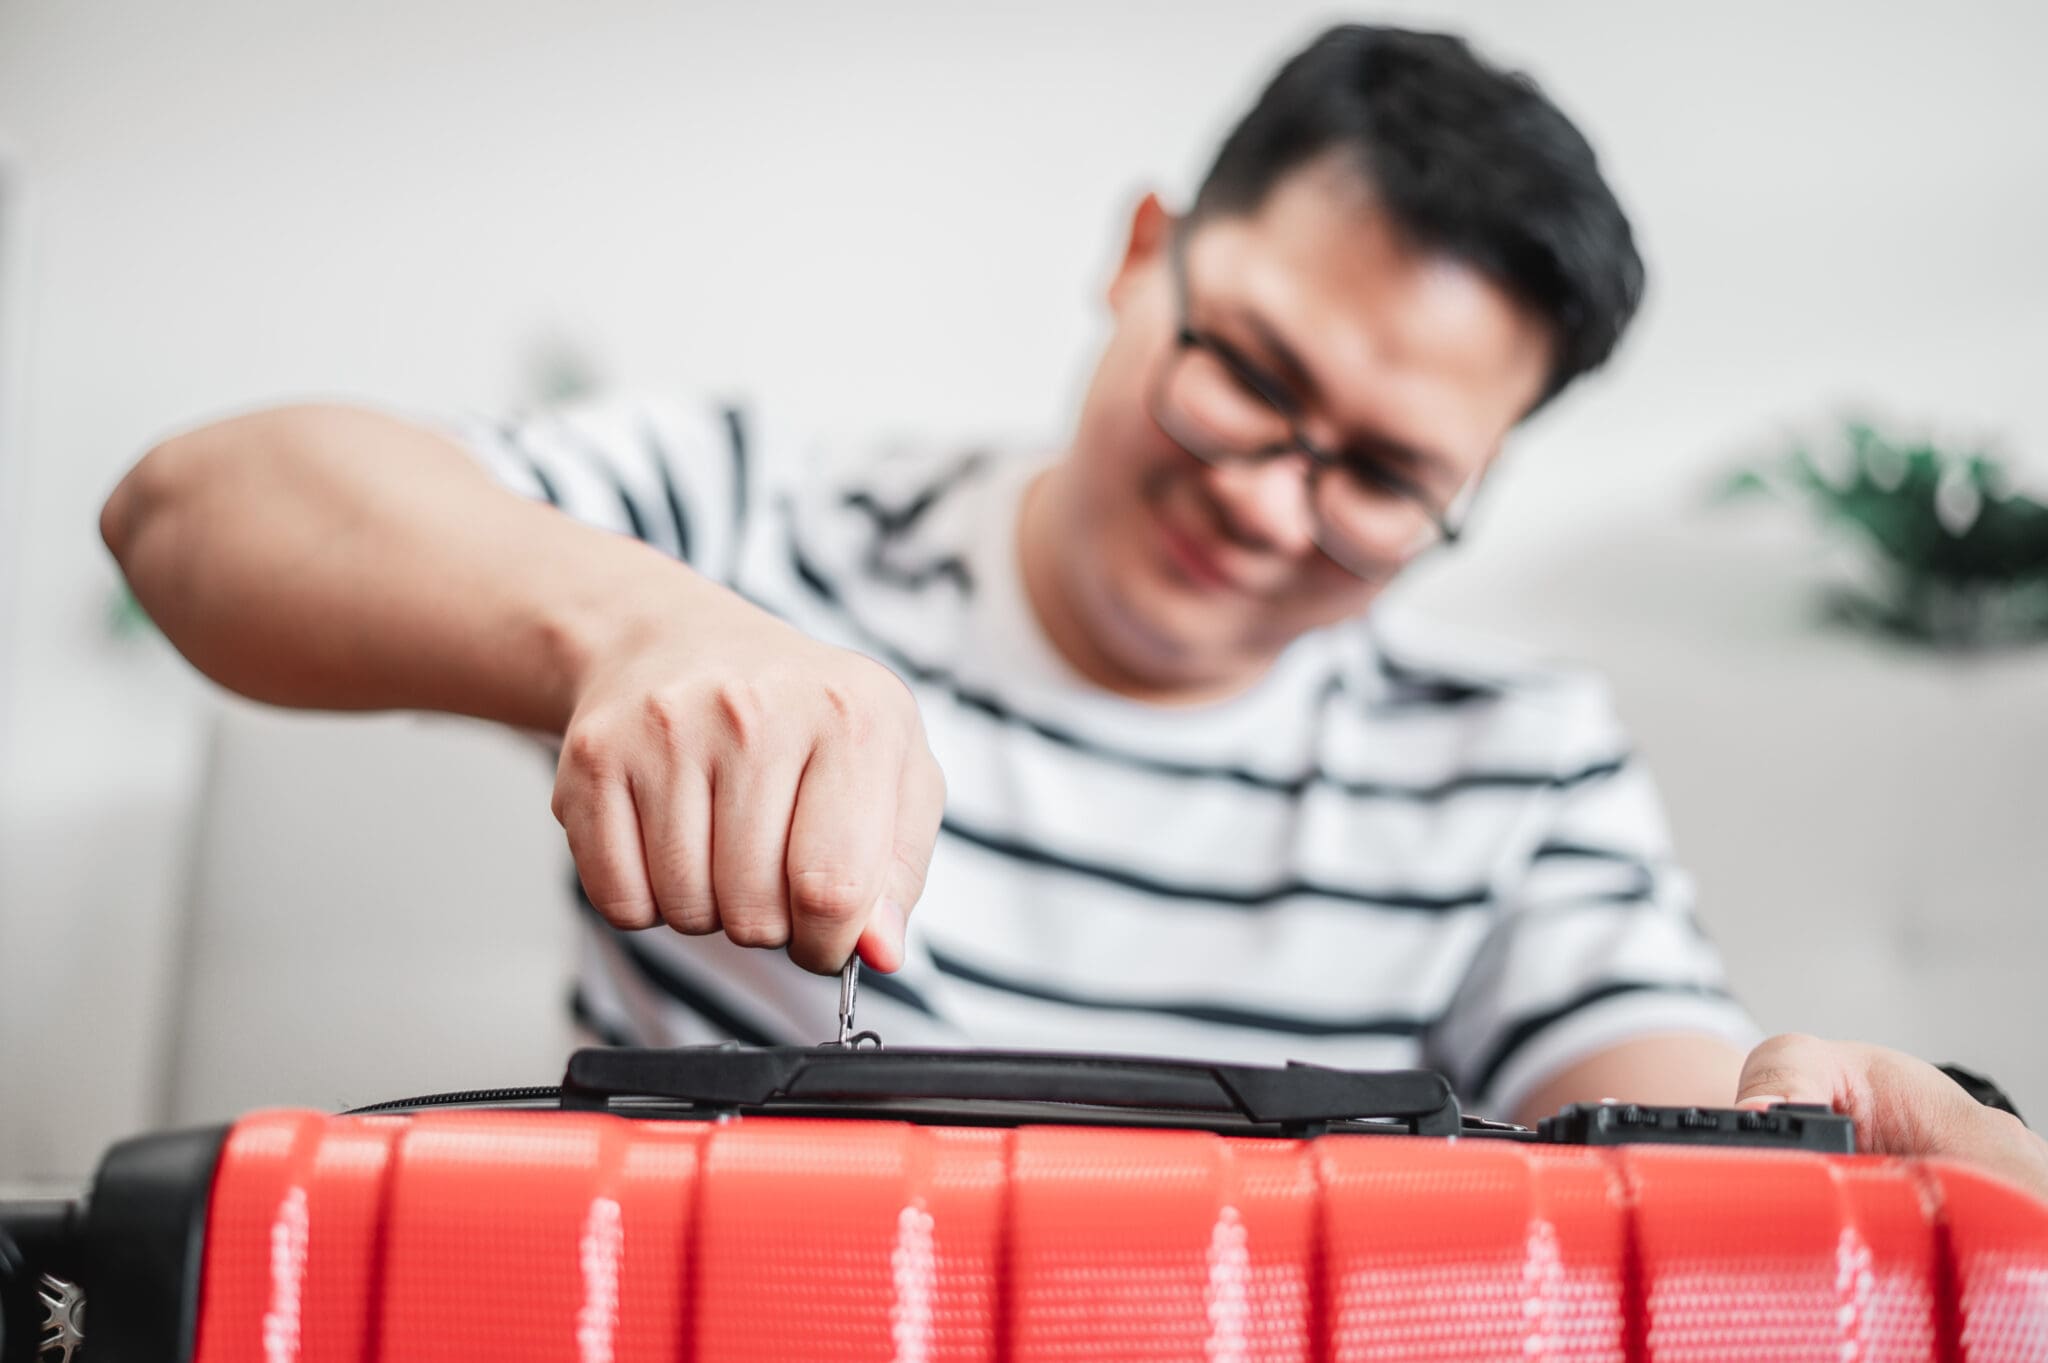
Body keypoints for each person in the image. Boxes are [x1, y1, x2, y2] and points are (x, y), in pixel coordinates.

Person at [100, 24, 2046, 1194]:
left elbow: (1664, 1109)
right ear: (1140, 255)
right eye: (1247, 371)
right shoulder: (758, 522)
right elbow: (190, 512)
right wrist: (634, 628)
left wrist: (1823, 1135)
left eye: (1383, 476)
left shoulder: (1514, 766)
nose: (1267, 500)